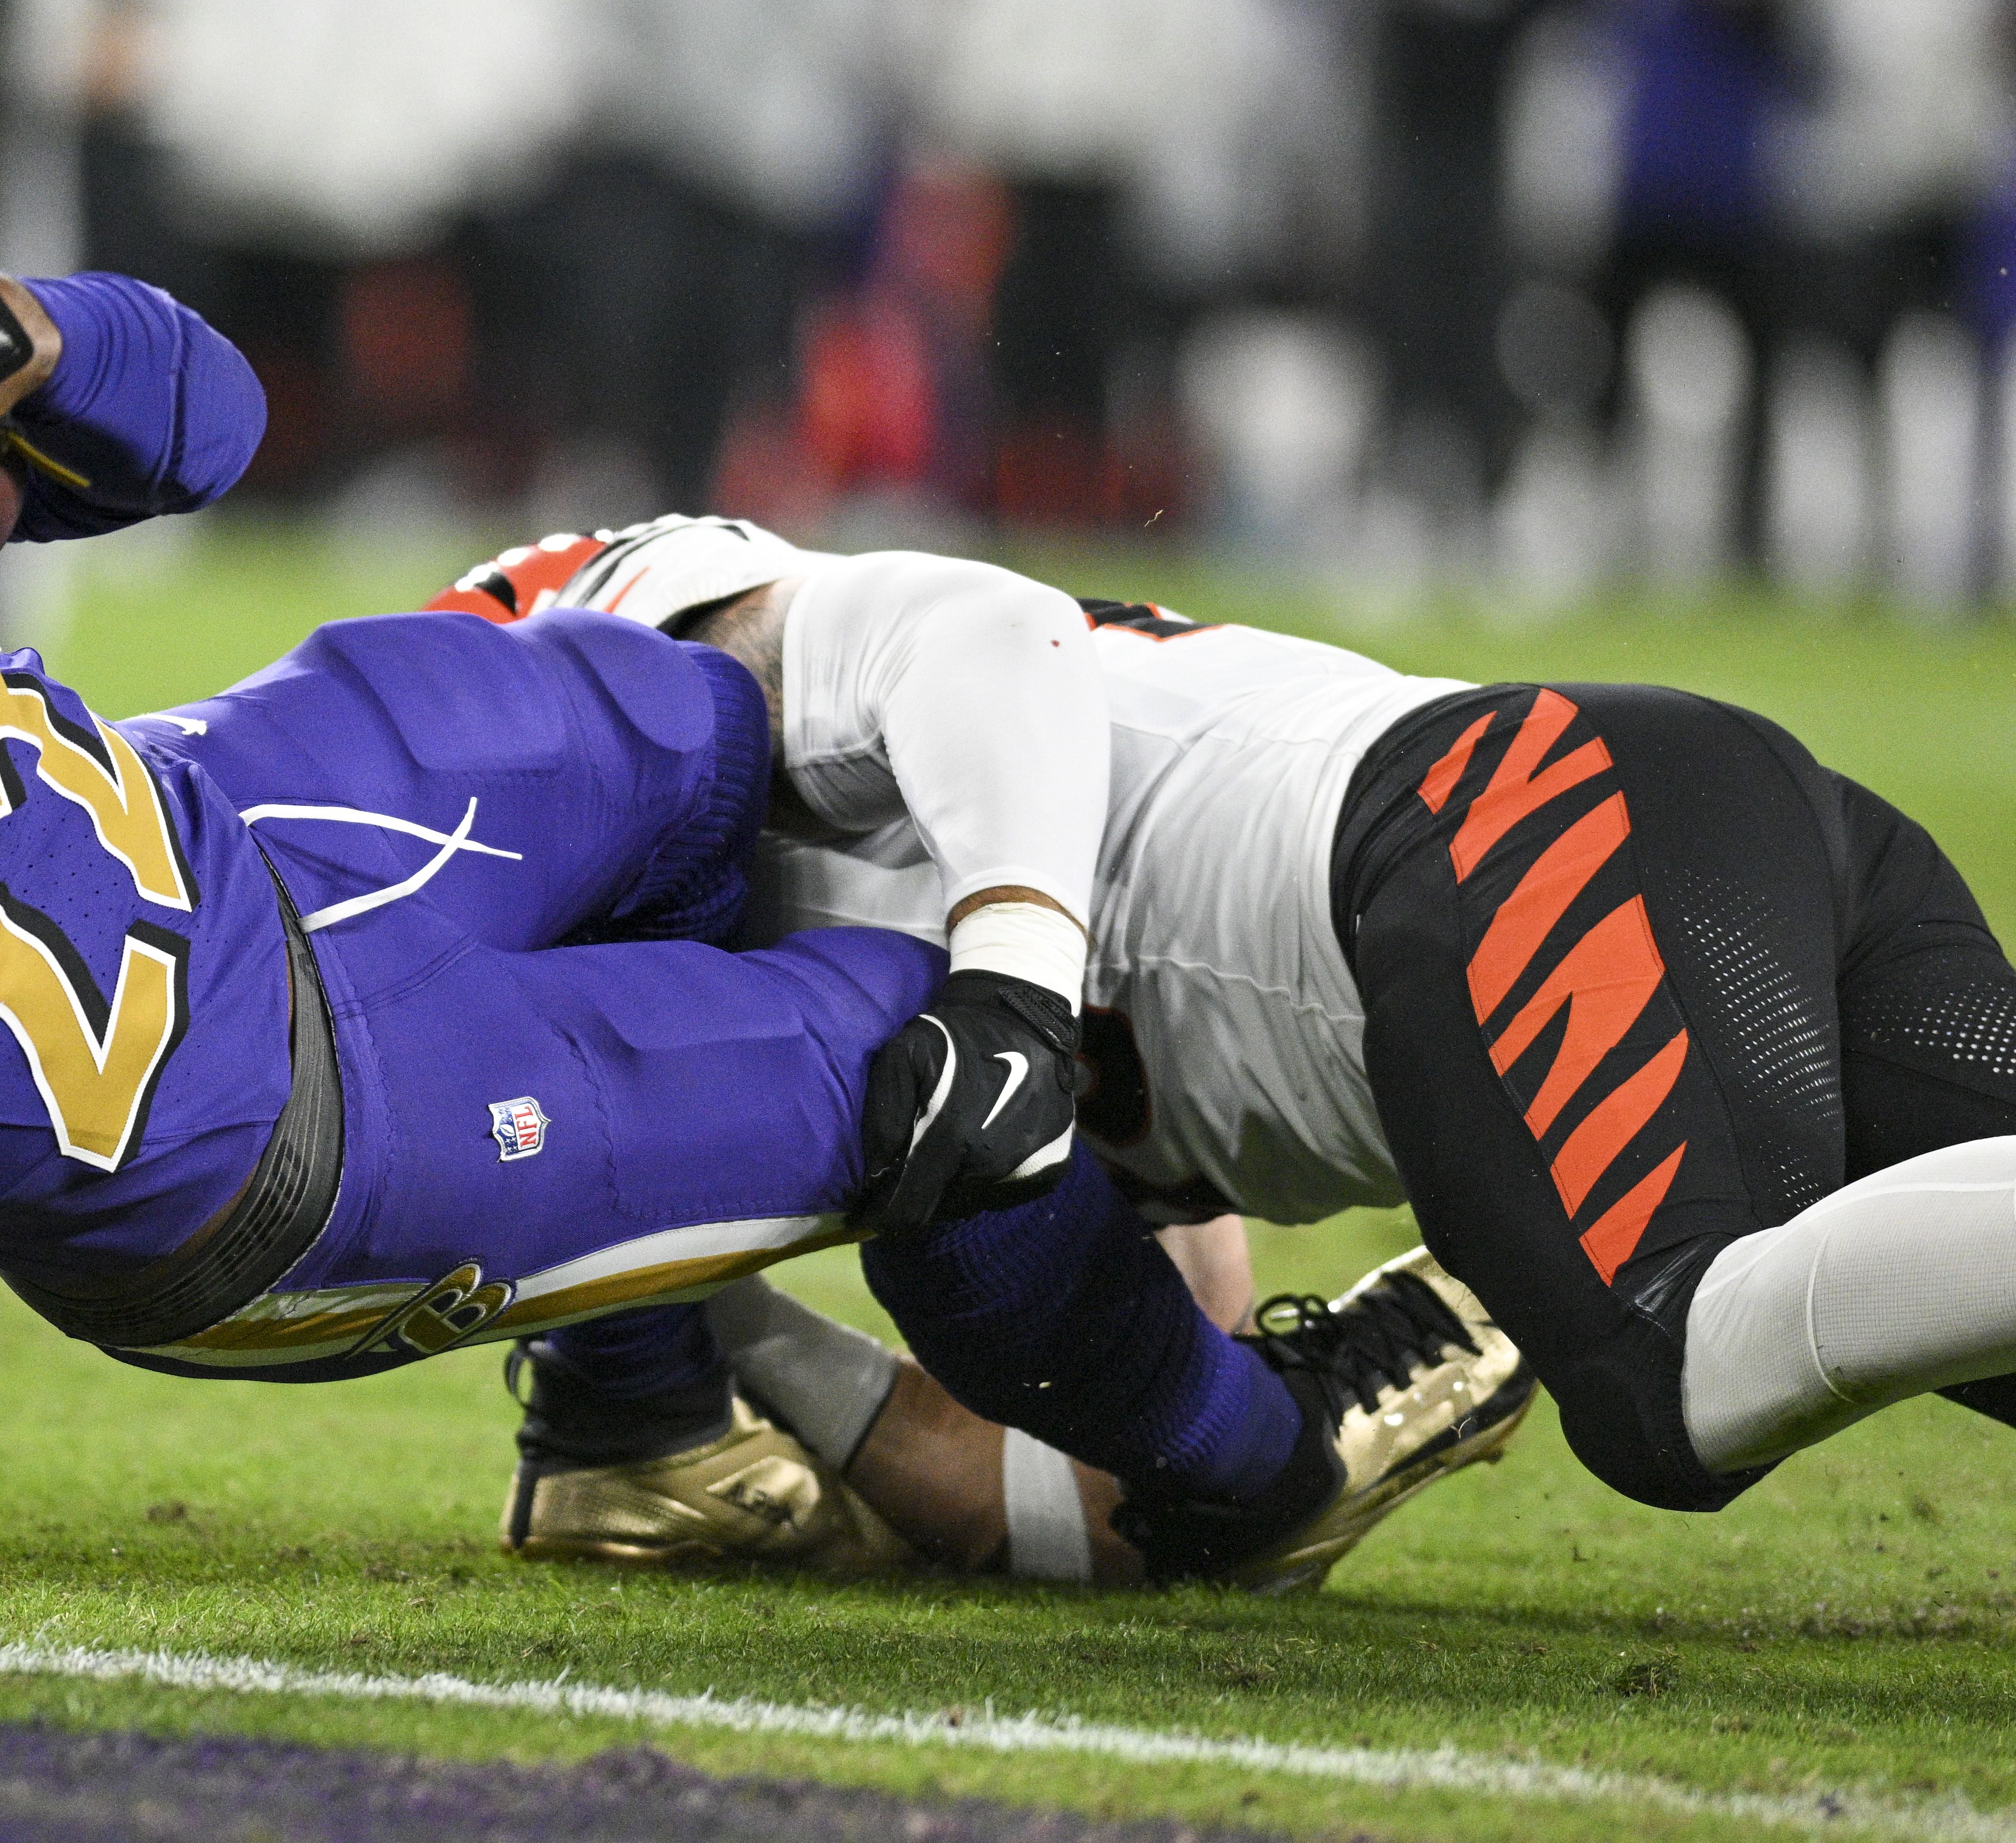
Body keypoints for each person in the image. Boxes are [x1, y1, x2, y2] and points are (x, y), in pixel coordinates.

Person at [0, 270, 1518, 1658]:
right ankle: (1238, 1468)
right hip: (292, 1156)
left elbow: (199, 408)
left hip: (284, 788)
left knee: (781, 738)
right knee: (934, 1062)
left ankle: (631, 1441)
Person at [429, 517, 2016, 1551]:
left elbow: (979, 633)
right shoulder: (898, 1048)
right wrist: (710, 1304)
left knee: (1679, 1372)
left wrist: (1011, 983)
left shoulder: (622, 650)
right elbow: (1127, 1507)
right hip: (1626, 827)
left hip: (1505, 829)